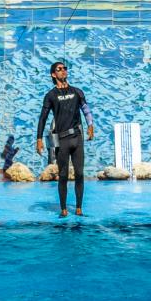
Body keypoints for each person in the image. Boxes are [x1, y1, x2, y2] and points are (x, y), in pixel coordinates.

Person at [36, 61, 94, 217]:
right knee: (63, 175)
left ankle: (79, 207)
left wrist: (90, 125)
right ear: (53, 75)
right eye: (59, 69)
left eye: (64, 69)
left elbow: (86, 110)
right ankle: (63, 208)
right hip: (61, 141)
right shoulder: (51, 95)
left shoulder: (77, 92)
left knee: (80, 174)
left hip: (77, 138)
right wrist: (39, 139)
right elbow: (43, 118)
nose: (63, 71)